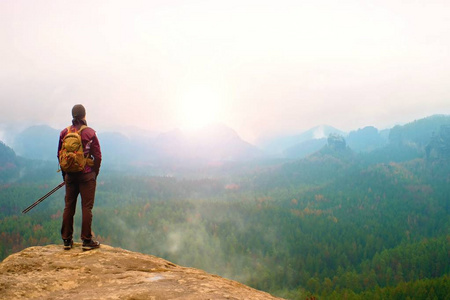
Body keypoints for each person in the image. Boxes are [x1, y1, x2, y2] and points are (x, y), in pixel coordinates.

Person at [58, 104, 102, 250]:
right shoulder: (90, 133)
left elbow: (60, 155)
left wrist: (65, 175)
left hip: (70, 176)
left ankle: (66, 240)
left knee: (69, 206)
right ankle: (86, 241)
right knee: (86, 207)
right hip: (86, 175)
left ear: (73, 116)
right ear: (84, 116)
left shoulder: (65, 133)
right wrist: (94, 173)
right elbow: (97, 155)